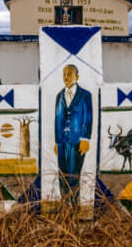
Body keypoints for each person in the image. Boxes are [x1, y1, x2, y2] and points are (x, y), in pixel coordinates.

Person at [54, 63, 92, 201]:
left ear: (77, 76)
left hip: (77, 141)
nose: (66, 77)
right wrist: (57, 142)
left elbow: (88, 117)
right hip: (62, 142)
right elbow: (57, 119)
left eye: (69, 74)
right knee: (62, 175)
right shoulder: (59, 96)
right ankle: (65, 208)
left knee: (74, 175)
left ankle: (75, 208)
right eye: (64, 74)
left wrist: (85, 139)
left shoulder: (85, 95)